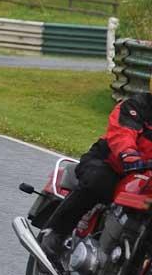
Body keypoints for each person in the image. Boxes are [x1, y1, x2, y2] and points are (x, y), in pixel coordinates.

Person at [40, 91, 152, 265]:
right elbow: (122, 134)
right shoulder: (136, 106)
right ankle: (56, 233)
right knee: (98, 181)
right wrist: (129, 155)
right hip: (111, 162)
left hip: (145, 174)